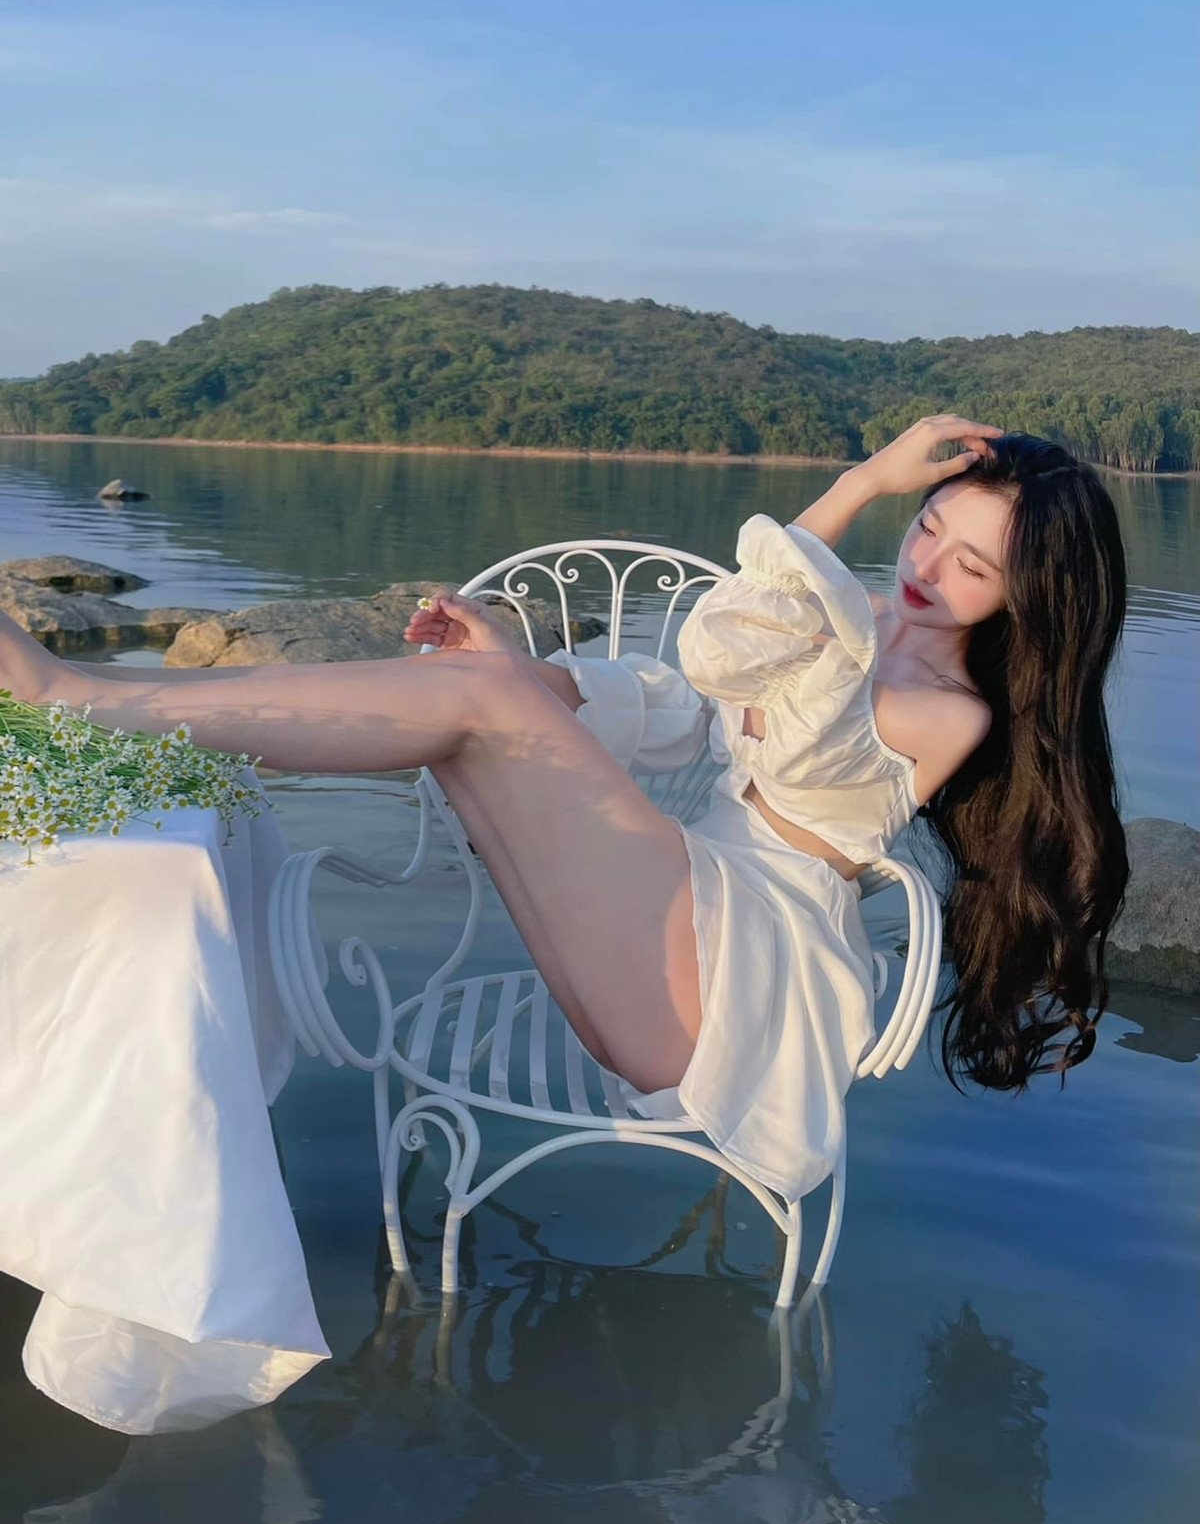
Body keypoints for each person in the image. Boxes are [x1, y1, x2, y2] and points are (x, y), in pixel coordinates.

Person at [0, 416, 1130, 1203]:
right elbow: (690, 700)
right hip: (669, 923)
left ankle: (78, 699)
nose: (930, 565)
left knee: (483, 702)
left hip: (722, 990)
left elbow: (729, 656)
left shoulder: (948, 713)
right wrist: (528, 674)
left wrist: (854, 488)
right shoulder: (856, 624)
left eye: (974, 567)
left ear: (1025, 597)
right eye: (930, 526)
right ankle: (104, 711)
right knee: (481, 692)